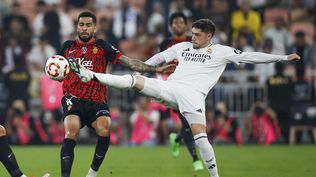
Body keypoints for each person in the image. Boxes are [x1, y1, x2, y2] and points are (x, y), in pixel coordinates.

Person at [69, 19, 300, 177]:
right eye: (193, 33)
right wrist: (142, 69)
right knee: (133, 80)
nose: (193, 37)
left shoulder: (222, 52)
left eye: (198, 35)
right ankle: (92, 75)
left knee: (201, 140)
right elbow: (159, 56)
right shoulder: (183, 47)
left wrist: (282, 58)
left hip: (193, 97)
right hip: (171, 88)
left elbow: (251, 56)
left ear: (209, 36)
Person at [57, 11, 172, 177]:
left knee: (105, 127)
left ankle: (91, 174)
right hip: (73, 98)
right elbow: (57, 70)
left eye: (88, 25)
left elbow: (129, 62)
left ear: (94, 28)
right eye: (81, 24)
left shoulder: (102, 46)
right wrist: (56, 74)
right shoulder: (67, 47)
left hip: (96, 99)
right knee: (71, 131)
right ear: (77, 26)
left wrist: (155, 69)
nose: (84, 28)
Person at [159, 12, 203, 171]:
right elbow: (160, 63)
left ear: (186, 25)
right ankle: (196, 160)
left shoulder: (193, 42)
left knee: (189, 124)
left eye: (181, 22)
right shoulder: (165, 43)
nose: (178, 25)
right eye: (175, 22)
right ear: (171, 26)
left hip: (191, 86)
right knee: (187, 122)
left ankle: (176, 140)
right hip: (173, 87)